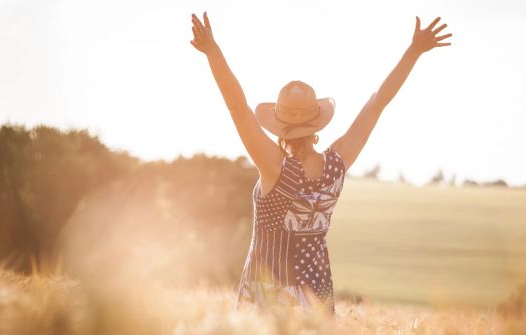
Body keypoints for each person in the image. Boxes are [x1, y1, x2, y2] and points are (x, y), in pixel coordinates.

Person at [189, 11, 451, 314]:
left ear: (278, 124)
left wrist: (213, 52)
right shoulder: (337, 164)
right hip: (316, 294)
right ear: (317, 123)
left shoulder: (274, 167)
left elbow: (237, 107)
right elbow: (377, 102)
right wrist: (413, 51)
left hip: (270, 296)